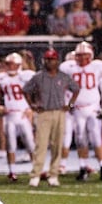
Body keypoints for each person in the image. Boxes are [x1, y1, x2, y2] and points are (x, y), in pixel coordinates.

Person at [22, 48, 80, 187]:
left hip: (60, 112)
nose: (50, 62)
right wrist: (33, 105)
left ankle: (53, 174)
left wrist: (70, 104)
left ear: (57, 61)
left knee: (57, 145)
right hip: (44, 113)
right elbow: (25, 90)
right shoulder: (39, 76)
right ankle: (36, 174)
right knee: (40, 144)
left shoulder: (63, 76)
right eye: (48, 59)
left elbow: (76, 88)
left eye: (52, 59)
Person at [59, 41, 102, 181]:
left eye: (85, 56)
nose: (82, 59)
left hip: (93, 107)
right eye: (79, 56)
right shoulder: (69, 68)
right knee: (81, 139)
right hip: (77, 109)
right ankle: (83, 167)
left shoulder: (98, 67)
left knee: (96, 138)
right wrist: (67, 104)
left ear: (91, 55)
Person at [0, 52, 36, 182]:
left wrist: (31, 107)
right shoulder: (1, 78)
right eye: (9, 64)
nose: (11, 67)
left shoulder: (25, 76)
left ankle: (37, 169)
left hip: (23, 113)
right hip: (9, 114)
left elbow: (36, 90)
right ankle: (12, 171)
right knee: (11, 145)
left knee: (31, 143)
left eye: (13, 64)